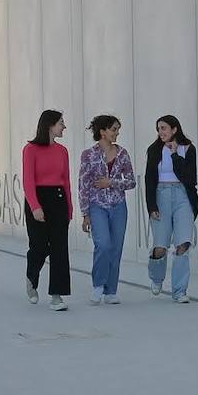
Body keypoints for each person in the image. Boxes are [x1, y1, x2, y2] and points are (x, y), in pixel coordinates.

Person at [79, 115, 137, 305]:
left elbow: (131, 181)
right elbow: (83, 184)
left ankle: (111, 290)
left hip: (119, 206)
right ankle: (98, 285)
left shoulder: (123, 154)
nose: (117, 133)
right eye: (113, 129)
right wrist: (85, 213)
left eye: (118, 129)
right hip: (97, 206)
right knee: (103, 245)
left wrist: (111, 182)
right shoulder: (88, 155)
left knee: (116, 248)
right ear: (102, 131)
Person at [144, 115, 198, 303]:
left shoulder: (188, 149)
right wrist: (151, 205)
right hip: (161, 195)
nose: (161, 132)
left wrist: (175, 154)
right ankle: (157, 278)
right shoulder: (154, 150)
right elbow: (149, 180)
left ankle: (179, 291)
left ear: (174, 129)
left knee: (183, 244)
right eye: (158, 129)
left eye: (164, 128)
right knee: (160, 246)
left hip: (183, 196)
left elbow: (189, 178)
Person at [23, 109, 73, 311]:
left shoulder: (62, 151)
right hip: (38, 198)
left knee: (60, 248)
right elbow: (28, 181)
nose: (64, 126)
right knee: (39, 247)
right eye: (61, 122)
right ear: (50, 125)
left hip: (59, 199)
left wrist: (69, 208)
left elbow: (66, 182)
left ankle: (57, 295)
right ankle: (31, 278)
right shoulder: (30, 149)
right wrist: (35, 206)